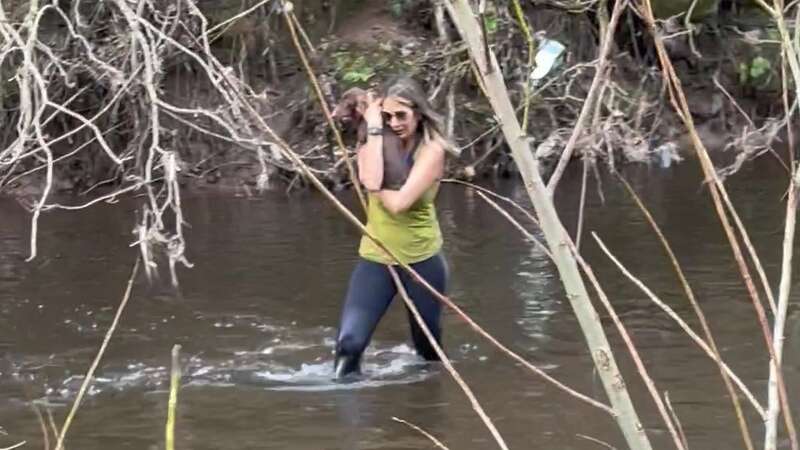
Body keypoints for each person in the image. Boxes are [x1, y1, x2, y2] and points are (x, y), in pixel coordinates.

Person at [334, 76, 451, 378]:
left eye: (402, 115)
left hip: (421, 260)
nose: (394, 122)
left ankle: (427, 408)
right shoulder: (373, 139)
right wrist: (373, 127)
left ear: (419, 113)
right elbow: (371, 178)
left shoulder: (432, 150)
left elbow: (397, 202)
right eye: (387, 116)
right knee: (348, 344)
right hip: (377, 257)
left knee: (427, 350)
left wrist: (374, 184)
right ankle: (347, 416)